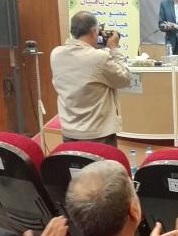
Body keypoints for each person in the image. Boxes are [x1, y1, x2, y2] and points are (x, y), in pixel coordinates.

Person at [50, 11, 130, 147]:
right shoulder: (99, 57)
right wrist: (114, 49)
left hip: (69, 132)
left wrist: (92, 47)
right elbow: (125, 79)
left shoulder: (56, 53)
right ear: (94, 31)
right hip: (97, 134)